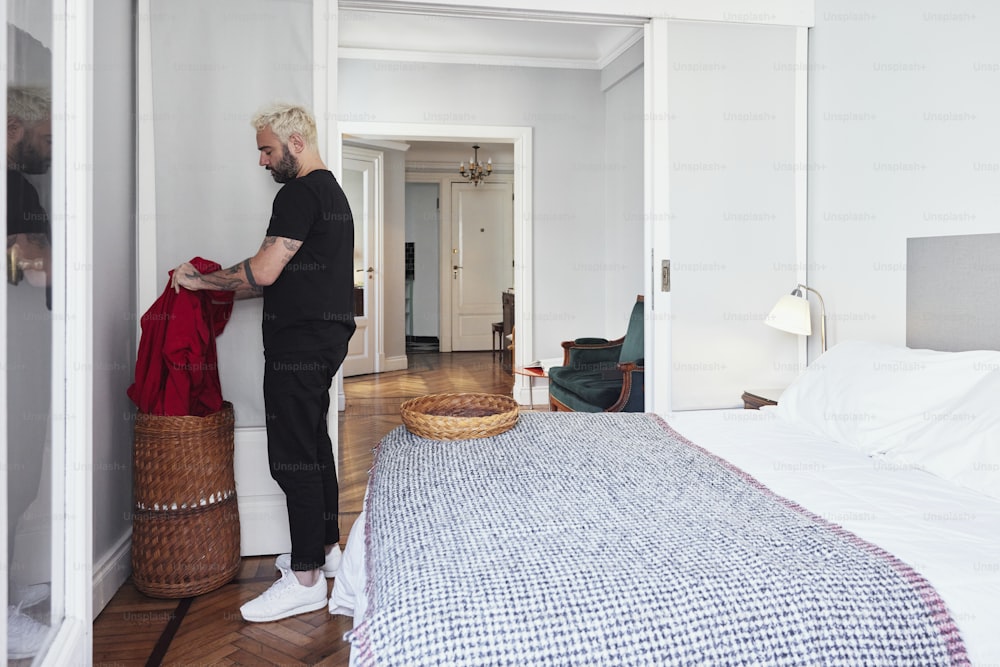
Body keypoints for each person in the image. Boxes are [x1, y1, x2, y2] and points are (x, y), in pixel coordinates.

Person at [171, 102, 356, 622]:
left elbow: (265, 270)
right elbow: (282, 276)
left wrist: (199, 281)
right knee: (314, 445)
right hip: (323, 340)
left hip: (300, 346)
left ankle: (303, 581)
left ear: (296, 144)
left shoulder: (298, 192)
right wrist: (221, 286)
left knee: (291, 454)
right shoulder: (332, 192)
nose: (262, 161)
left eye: (266, 150)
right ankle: (324, 551)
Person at [6, 85, 54, 660]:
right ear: (15, 127)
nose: (50, 153)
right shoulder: (14, 186)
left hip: (18, 353)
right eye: (46, 140)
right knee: (13, 481)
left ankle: (9, 591)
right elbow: (28, 271)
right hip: (15, 359)